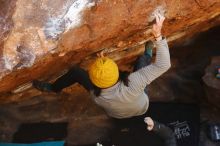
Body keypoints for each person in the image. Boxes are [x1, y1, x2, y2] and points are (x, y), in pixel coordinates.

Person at [33, 12, 170, 119]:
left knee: (75, 72)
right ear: (116, 72)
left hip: (118, 113)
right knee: (141, 61)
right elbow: (163, 65)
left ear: (93, 81)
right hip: (141, 107)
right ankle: (148, 53)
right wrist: (158, 35)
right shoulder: (134, 81)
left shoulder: (98, 96)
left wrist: (101, 63)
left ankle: (53, 88)